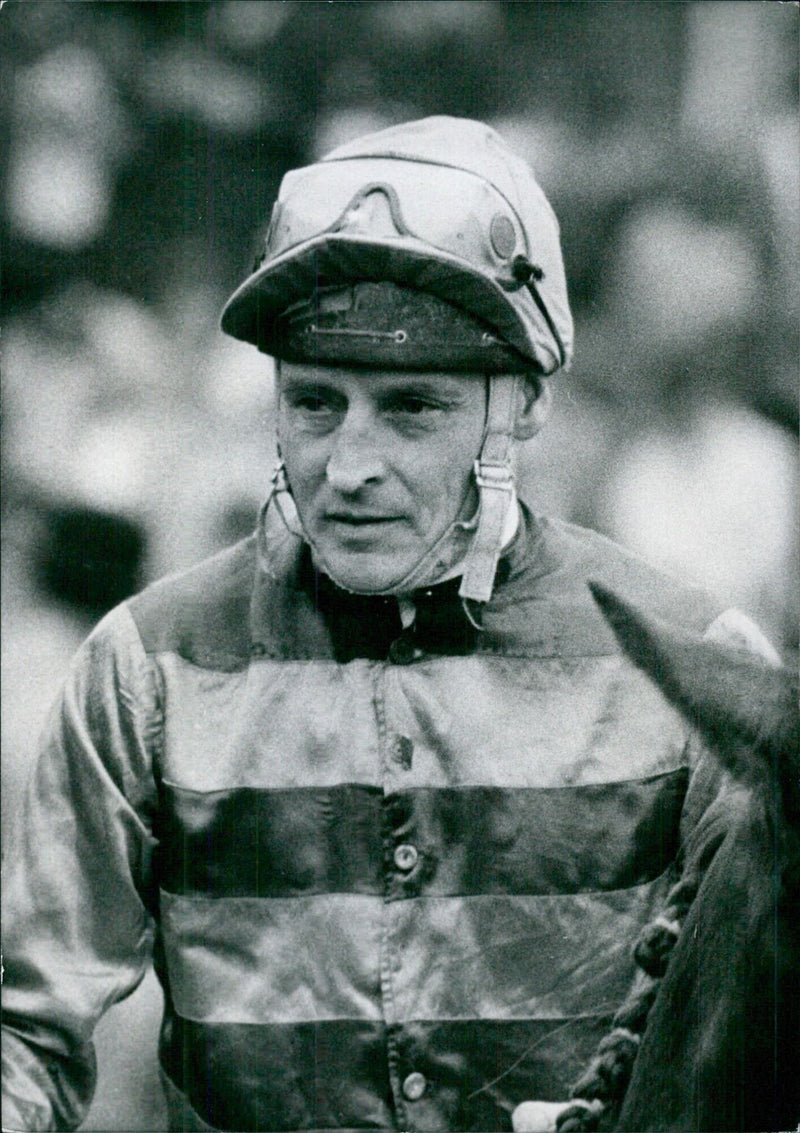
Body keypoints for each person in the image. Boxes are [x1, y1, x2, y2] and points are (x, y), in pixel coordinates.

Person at [1, 116, 779, 1133]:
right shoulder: (145, 666)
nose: (350, 466)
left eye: (411, 409)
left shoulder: (697, 678)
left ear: (523, 405)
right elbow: (28, 1027)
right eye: (315, 404)